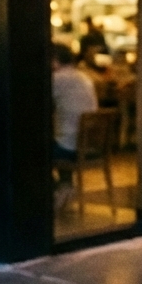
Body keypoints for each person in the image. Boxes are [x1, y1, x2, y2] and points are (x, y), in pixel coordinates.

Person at [52, 43, 99, 209]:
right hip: (88, 145)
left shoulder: (58, 78)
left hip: (70, 148)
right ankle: (65, 186)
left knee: (28, 150)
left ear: (55, 60)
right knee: (62, 136)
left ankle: (55, 189)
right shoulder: (84, 77)